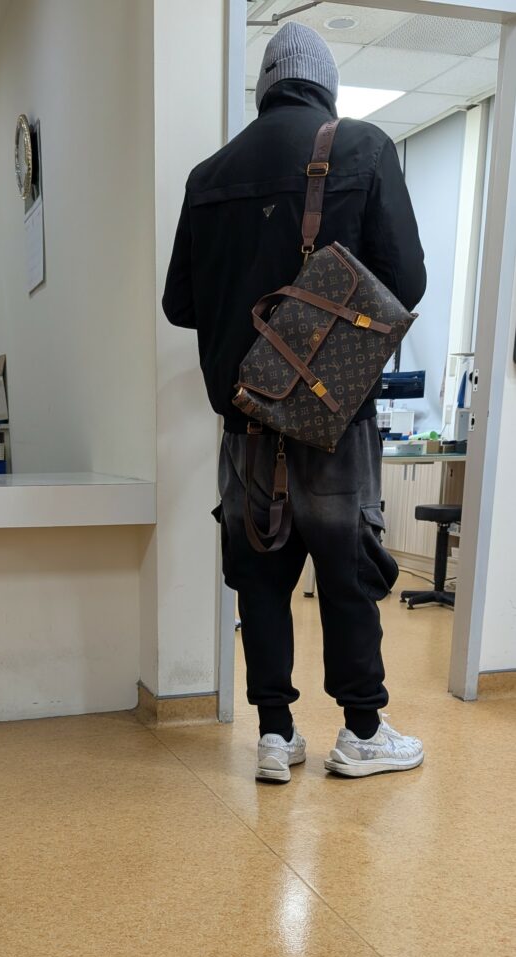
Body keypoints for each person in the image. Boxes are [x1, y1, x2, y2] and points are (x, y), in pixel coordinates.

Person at [162, 22, 427, 782]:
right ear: (325, 87)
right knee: (347, 571)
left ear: (266, 87)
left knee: (259, 573)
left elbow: (180, 304)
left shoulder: (207, 175)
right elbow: (405, 281)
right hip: (332, 414)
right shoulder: (364, 148)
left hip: (246, 415)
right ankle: (362, 732)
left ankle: (275, 736)